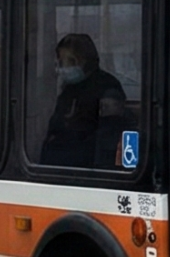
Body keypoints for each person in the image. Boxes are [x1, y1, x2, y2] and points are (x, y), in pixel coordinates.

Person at [39, 33, 128, 167]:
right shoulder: (69, 89)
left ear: (84, 60)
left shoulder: (108, 88)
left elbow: (108, 138)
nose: (62, 68)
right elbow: (55, 127)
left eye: (68, 61)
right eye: (60, 62)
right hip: (59, 167)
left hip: (87, 169)